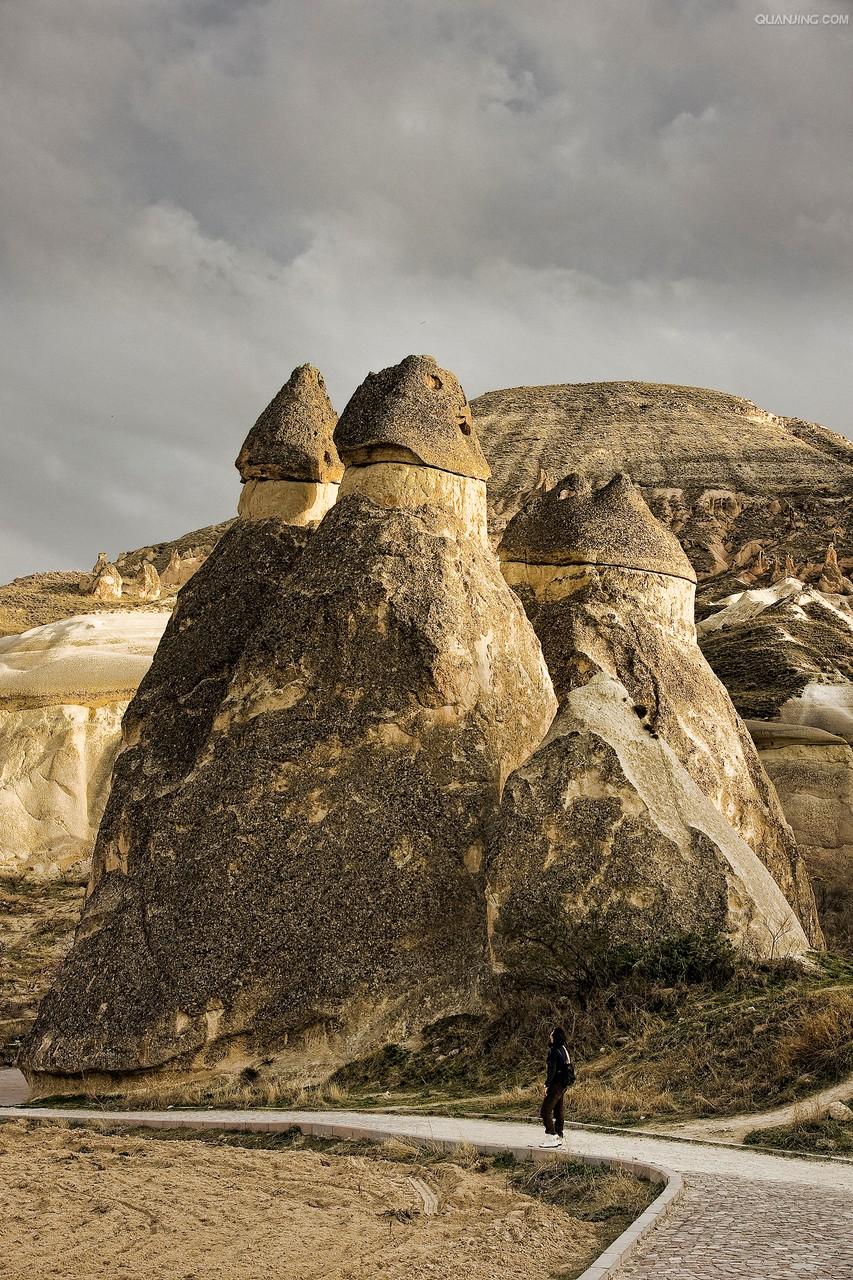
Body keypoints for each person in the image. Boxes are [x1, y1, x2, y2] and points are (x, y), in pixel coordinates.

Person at [539, 1026, 574, 1148]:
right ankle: (559, 1134)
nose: (550, 1035)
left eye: (551, 1033)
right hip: (564, 1083)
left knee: (545, 1110)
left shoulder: (553, 1051)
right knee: (558, 1110)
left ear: (554, 1037)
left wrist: (547, 1084)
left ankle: (551, 1135)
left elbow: (552, 1070)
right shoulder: (564, 1049)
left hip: (556, 1084)